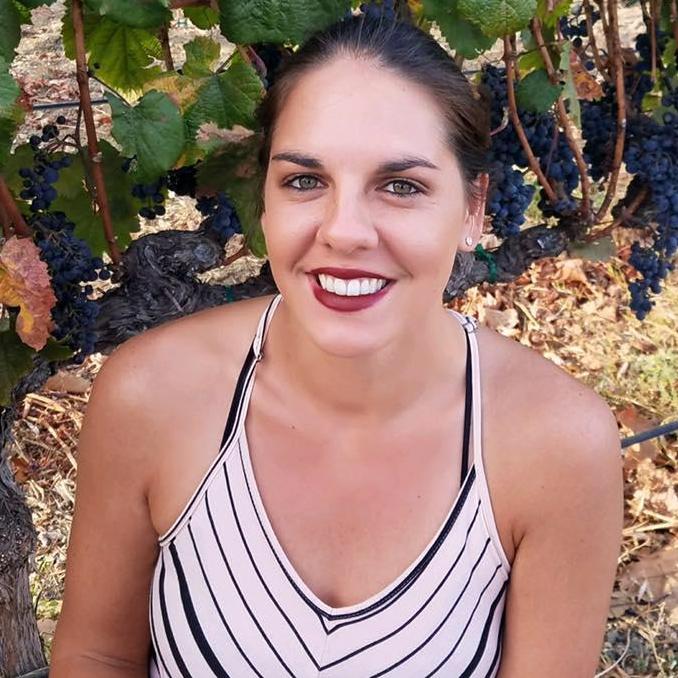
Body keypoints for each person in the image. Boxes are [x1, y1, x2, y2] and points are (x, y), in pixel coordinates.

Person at [50, 11, 624, 678]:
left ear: (473, 209)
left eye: (401, 186)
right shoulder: (152, 394)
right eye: (305, 180)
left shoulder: (556, 446)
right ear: (264, 200)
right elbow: (97, 654)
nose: (344, 231)